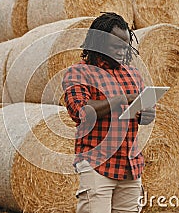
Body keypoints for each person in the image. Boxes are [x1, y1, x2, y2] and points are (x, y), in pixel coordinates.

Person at [62, 12, 155, 213]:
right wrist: (121, 99)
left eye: (126, 45)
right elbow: (81, 113)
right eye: (117, 45)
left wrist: (146, 114)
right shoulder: (79, 72)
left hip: (130, 166)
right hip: (97, 165)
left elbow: (142, 114)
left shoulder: (133, 74)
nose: (123, 50)